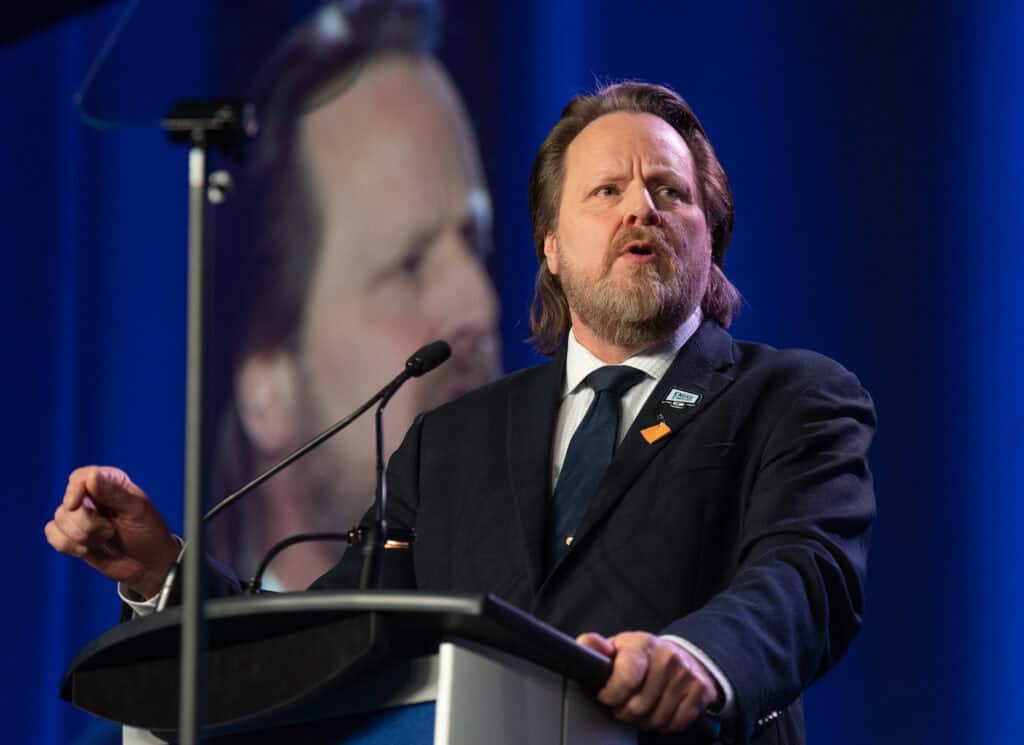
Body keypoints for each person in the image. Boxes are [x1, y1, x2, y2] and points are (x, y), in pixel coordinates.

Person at [47, 80, 875, 744]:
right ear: (549, 245)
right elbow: (323, 644)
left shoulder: (790, 397)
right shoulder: (449, 438)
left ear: (709, 235)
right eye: (607, 189)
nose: (640, 209)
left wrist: (696, 658)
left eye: (669, 190)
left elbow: (806, 576)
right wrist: (163, 574)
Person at [202, 1, 501, 590]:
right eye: (407, 266)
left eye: (474, 243)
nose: (479, 305)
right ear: (268, 381)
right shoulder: (186, 682)